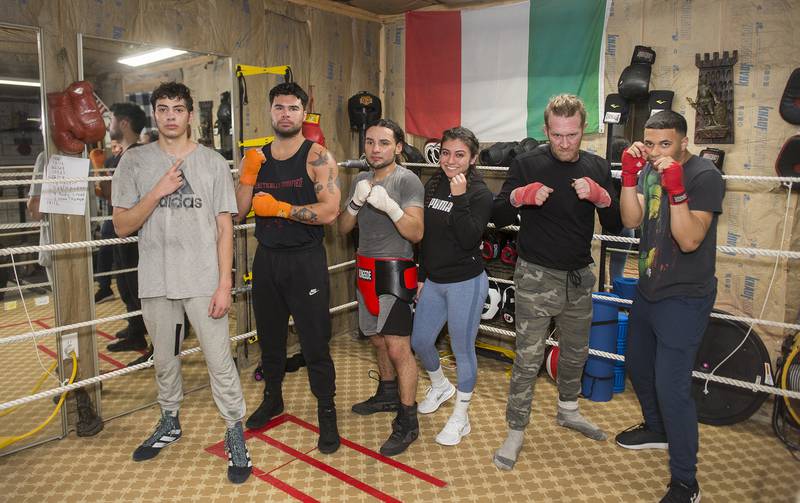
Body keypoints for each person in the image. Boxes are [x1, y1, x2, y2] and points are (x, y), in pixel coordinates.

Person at [111, 81, 251, 484]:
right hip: (157, 283)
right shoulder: (134, 162)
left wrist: (225, 284)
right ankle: (169, 421)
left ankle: (234, 431)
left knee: (218, 359)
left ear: (190, 115)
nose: (170, 115)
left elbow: (226, 227)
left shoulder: (211, 163)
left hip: (203, 282)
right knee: (166, 358)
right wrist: (157, 191)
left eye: (177, 108)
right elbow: (122, 225)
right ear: (154, 114)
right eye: (163, 108)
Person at [491, 94, 622, 470]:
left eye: (573, 134)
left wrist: (602, 199)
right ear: (546, 130)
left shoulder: (597, 166)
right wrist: (519, 195)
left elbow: (614, 226)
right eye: (557, 135)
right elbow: (498, 214)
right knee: (529, 358)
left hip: (579, 276)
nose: (565, 143)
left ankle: (568, 409)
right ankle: (515, 430)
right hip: (536, 275)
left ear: (584, 131)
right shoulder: (527, 162)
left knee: (576, 352)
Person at [615, 110, 724, 503]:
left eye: (666, 144)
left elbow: (690, 238)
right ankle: (658, 428)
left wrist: (676, 190)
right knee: (637, 364)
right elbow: (631, 218)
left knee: (672, 386)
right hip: (649, 290)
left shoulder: (703, 177)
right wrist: (629, 179)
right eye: (651, 142)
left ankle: (685, 483)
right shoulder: (648, 170)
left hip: (685, 296)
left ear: (683, 140)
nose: (657, 151)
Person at [235, 82, 341, 454]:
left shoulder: (317, 157)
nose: (285, 114)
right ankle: (273, 398)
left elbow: (330, 212)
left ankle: (327, 414)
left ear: (303, 112)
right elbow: (239, 211)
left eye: (293, 108)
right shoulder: (257, 156)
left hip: (305, 260)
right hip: (267, 259)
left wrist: (281, 208)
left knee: (314, 341)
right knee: (270, 337)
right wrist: (247, 176)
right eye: (279, 107)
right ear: (270, 110)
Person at [338, 118, 424, 456]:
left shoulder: (408, 180)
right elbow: (344, 227)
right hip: (365, 267)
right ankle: (388, 393)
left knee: (398, 347)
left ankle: (408, 420)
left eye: (384, 143)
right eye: (370, 142)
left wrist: (390, 206)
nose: (375, 149)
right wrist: (356, 204)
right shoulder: (359, 179)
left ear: (398, 147)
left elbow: (416, 232)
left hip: (394, 269)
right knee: (376, 338)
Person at [410, 126, 492, 446]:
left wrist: (459, 200)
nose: (451, 160)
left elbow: (470, 238)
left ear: (472, 159)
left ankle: (462, 416)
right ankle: (441, 386)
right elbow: (427, 237)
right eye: (446, 153)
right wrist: (420, 275)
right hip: (434, 280)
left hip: (466, 283)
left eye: (460, 154)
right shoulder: (432, 184)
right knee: (420, 341)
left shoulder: (480, 193)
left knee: (462, 350)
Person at [96, 103, 150, 358]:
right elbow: (111, 196)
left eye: (112, 121)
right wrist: (99, 170)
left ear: (124, 123)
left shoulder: (139, 156)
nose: (109, 126)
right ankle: (136, 331)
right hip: (124, 229)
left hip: (138, 232)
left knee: (142, 289)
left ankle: (157, 347)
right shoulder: (122, 155)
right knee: (126, 285)